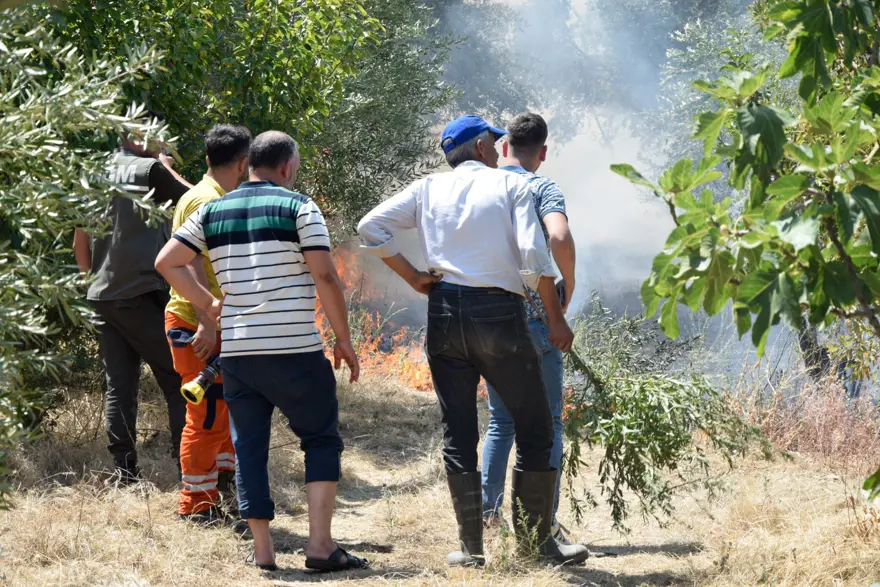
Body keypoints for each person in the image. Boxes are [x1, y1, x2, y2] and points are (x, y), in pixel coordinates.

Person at [356, 114, 589, 566]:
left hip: (444, 316)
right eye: (493, 142)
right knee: (536, 428)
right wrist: (556, 319)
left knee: (459, 433)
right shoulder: (512, 187)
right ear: (483, 146)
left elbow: (371, 227)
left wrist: (415, 277)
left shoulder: (427, 189)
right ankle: (538, 544)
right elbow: (533, 256)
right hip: (498, 314)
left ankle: (470, 549)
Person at [155, 131, 368, 572]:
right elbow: (326, 278)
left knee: (249, 447)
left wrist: (208, 304)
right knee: (321, 439)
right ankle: (321, 547)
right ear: (288, 166)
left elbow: (167, 262)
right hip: (294, 350)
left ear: (249, 162)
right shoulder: (299, 207)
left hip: (238, 354)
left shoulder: (212, 210)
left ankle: (263, 552)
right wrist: (343, 340)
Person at [481, 112, 579, 546]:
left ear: (504, 148)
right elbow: (558, 237)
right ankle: (543, 524)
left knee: (501, 422)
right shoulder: (542, 187)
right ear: (543, 153)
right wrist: (567, 286)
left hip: (490, 317)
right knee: (549, 425)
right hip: (537, 320)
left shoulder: (484, 186)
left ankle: (487, 517)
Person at [73, 129, 192, 484]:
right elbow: (200, 199)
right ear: (139, 136)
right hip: (141, 293)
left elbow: (79, 237)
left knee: (120, 387)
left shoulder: (92, 173)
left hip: (102, 296)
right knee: (176, 379)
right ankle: (188, 469)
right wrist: (166, 167)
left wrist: (87, 282)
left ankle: (125, 474)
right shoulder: (149, 172)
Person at [163, 125, 251, 523]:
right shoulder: (205, 199)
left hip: (210, 321)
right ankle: (196, 506)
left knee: (221, 411)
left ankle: (220, 488)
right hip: (195, 324)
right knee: (206, 416)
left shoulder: (211, 194)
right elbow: (189, 264)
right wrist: (207, 323)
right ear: (244, 162)